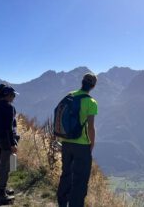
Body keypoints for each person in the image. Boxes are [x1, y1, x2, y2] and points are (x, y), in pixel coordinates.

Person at [57, 73, 98, 207]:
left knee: (66, 175)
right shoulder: (91, 102)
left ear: (82, 82)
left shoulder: (70, 95)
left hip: (66, 142)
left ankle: (62, 203)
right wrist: (91, 144)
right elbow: (91, 127)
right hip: (82, 146)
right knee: (80, 180)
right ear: (93, 86)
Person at [0, 86, 19, 204]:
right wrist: (12, 143)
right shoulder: (9, 107)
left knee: (3, 165)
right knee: (5, 166)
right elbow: (9, 128)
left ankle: (3, 189)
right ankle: (1, 194)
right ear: (7, 95)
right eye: (13, 95)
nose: (14, 97)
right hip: (5, 140)